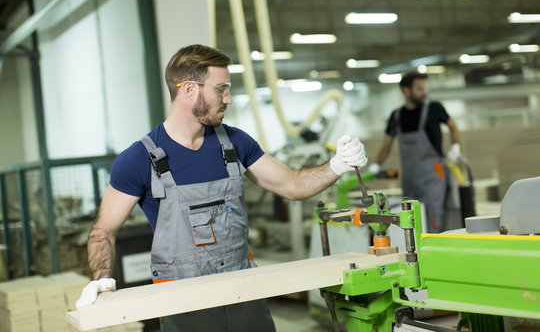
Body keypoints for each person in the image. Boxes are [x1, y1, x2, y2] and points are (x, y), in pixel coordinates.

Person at [75, 44, 368, 331]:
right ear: (188, 89)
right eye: (220, 89)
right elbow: (103, 232)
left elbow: (292, 184)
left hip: (245, 296)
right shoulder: (137, 160)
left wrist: (337, 165)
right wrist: (102, 279)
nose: (228, 98)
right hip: (183, 304)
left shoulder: (235, 143)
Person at [368, 72, 461, 233]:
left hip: (434, 177)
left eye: (424, 88)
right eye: (419, 89)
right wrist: (376, 165)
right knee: (411, 219)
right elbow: (386, 145)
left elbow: (453, 126)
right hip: (410, 179)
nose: (424, 92)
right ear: (406, 90)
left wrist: (456, 147)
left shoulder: (434, 109)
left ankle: (434, 254)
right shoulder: (397, 116)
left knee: (434, 218)